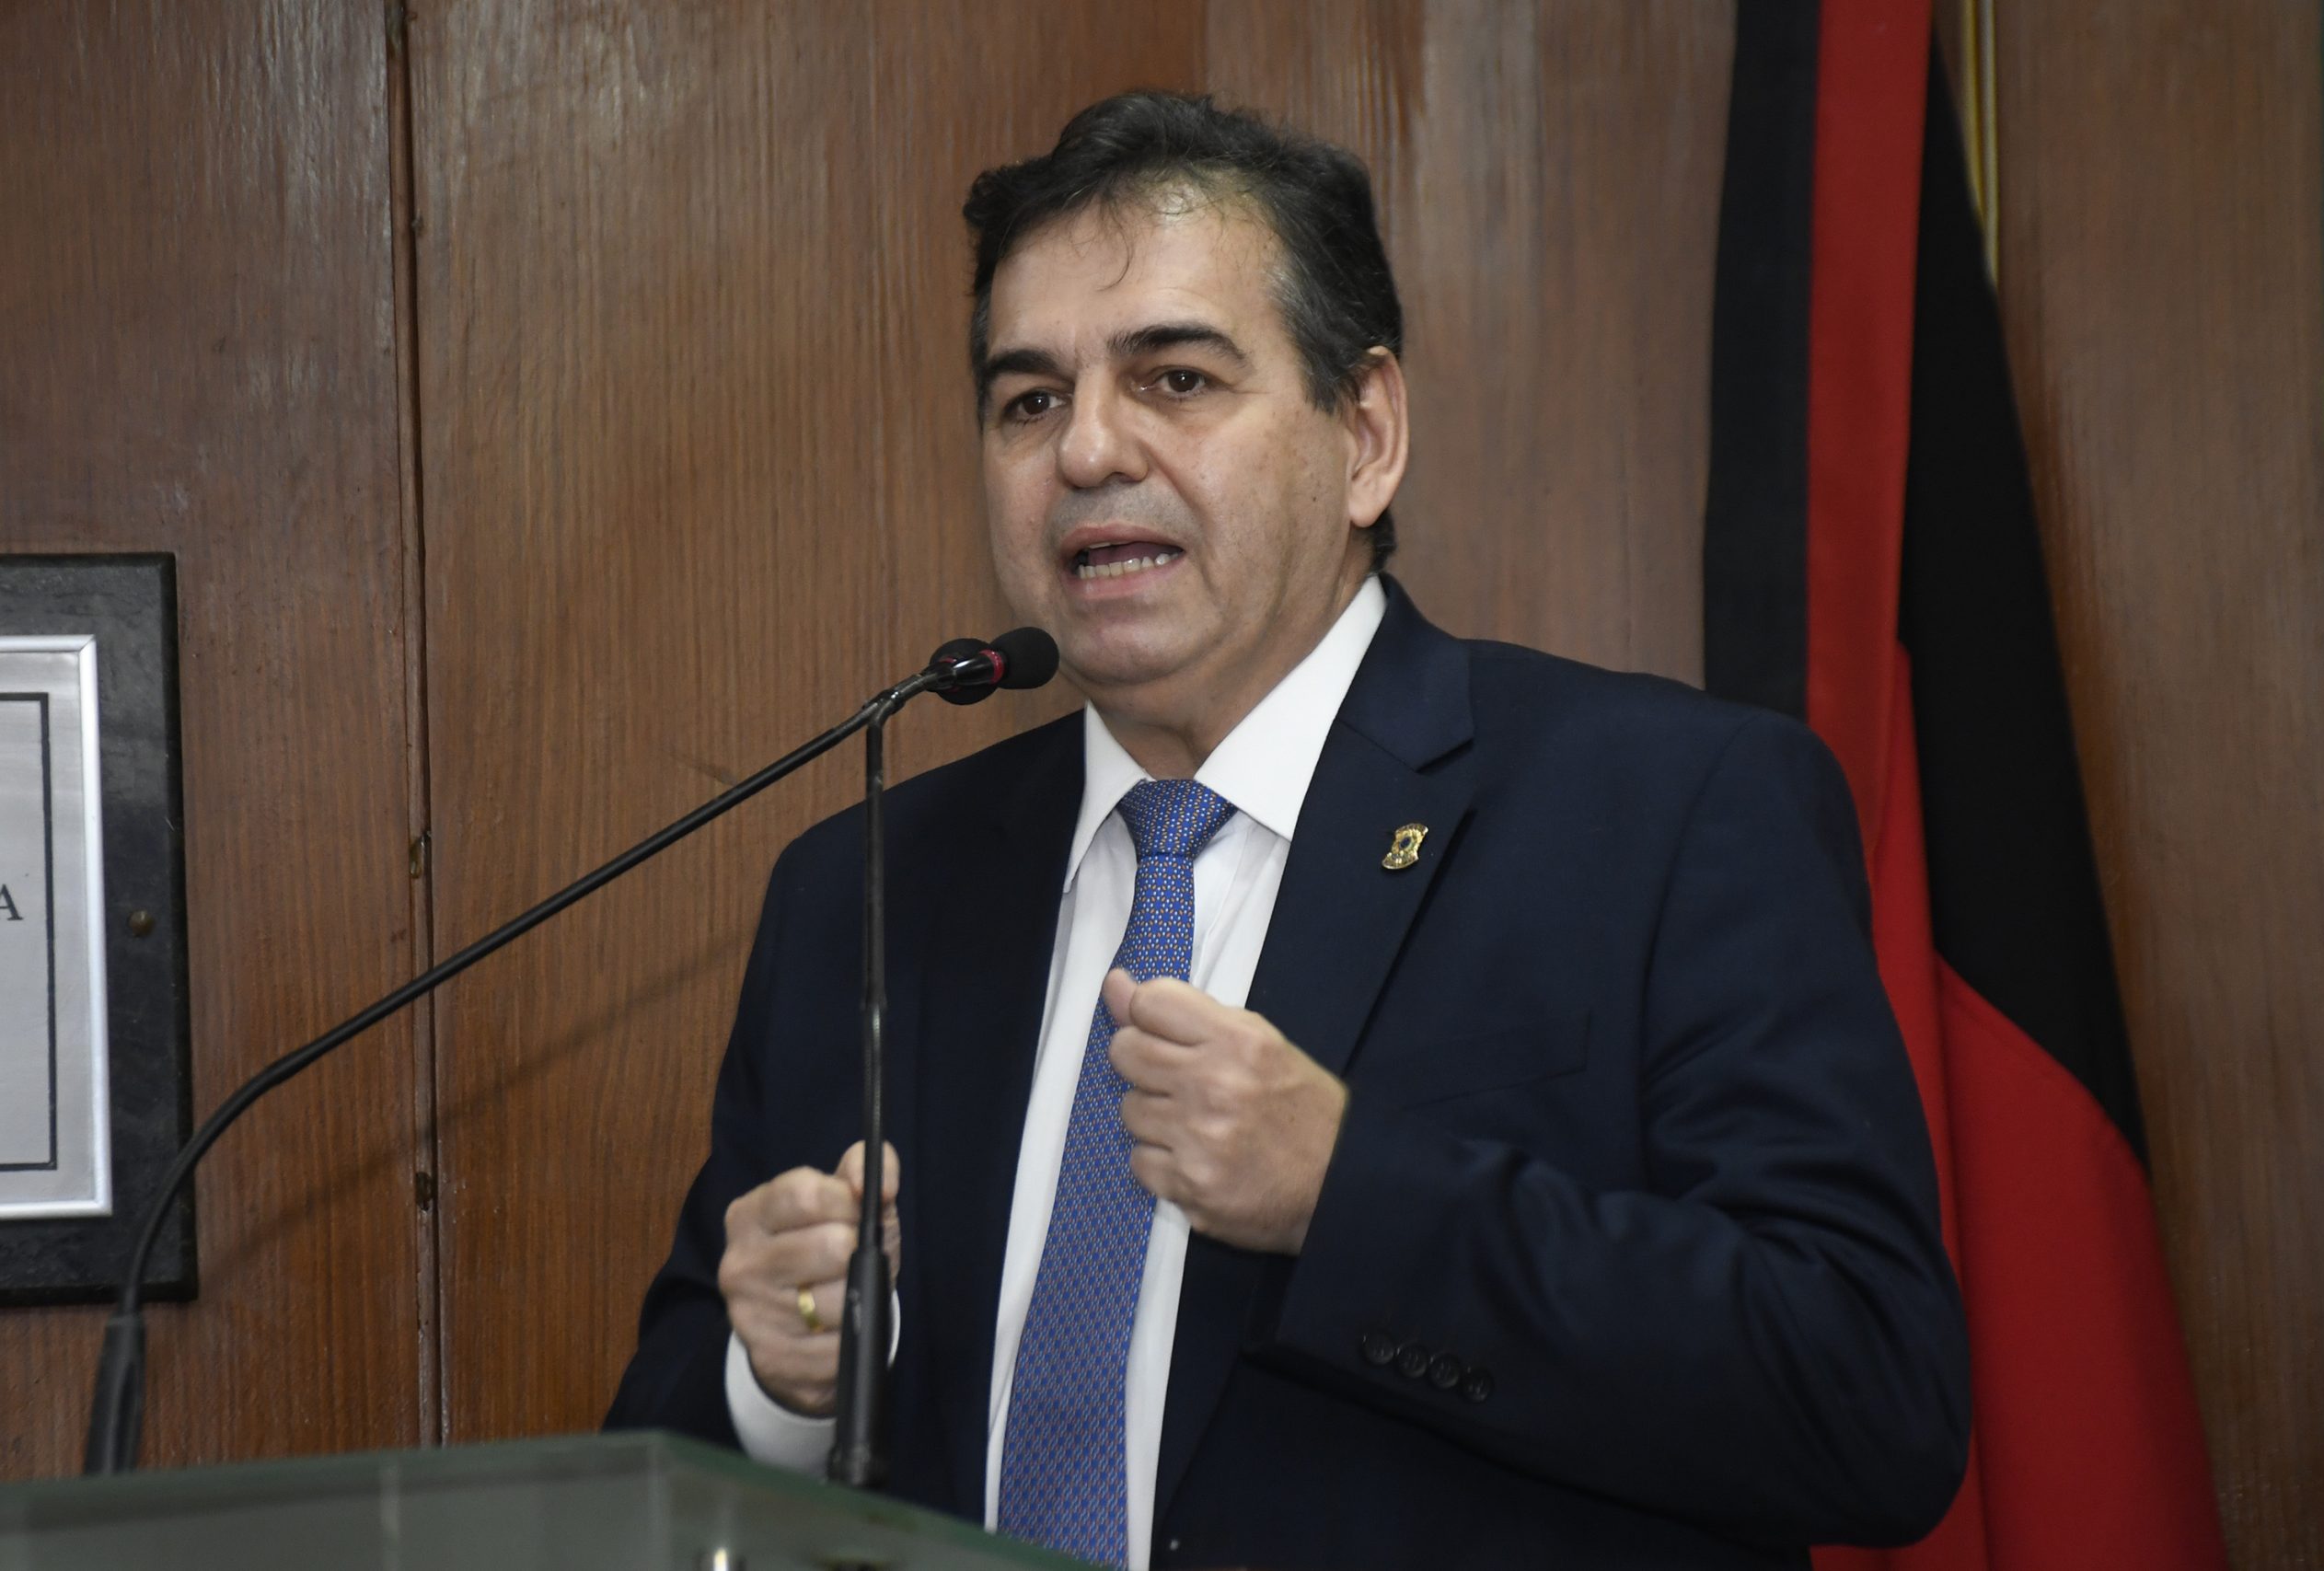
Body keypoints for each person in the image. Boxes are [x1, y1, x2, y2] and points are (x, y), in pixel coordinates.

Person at [607, 91, 1970, 1570]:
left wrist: (1350, 1194)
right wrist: (776, 1386)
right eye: (1029, 400)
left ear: (1366, 433)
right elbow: (647, 1455)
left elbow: (1868, 1393)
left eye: (1177, 379)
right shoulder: (864, 889)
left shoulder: (1662, 812)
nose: (1087, 450)